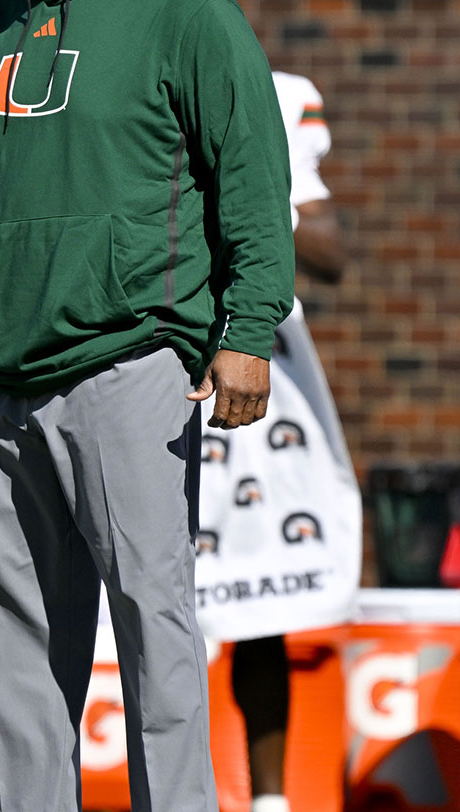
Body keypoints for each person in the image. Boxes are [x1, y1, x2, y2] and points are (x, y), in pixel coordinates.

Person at [0, 0, 296, 810]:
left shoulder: (186, 7)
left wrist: (247, 331)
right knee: (20, 639)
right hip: (4, 370)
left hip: (131, 355)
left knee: (152, 623)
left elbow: (251, 177)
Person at [195, 71, 358, 812]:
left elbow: (328, 252)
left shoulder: (276, 98)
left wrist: (254, 202)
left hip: (248, 361)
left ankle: (270, 801)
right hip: (146, 347)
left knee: (256, 593)